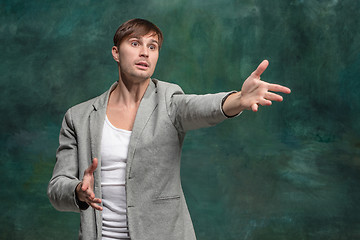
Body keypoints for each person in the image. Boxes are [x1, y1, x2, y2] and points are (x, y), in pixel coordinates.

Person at [47, 18, 291, 240]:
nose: (144, 52)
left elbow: (199, 107)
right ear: (116, 53)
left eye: (152, 47)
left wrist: (238, 99)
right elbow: (57, 189)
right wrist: (78, 191)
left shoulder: (169, 99)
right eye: (135, 43)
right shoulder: (78, 117)